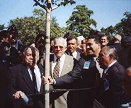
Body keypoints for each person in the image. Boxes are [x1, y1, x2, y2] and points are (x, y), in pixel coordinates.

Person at [44, 35, 102, 108]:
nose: (87, 47)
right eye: (86, 45)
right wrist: (54, 81)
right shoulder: (84, 60)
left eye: (90, 44)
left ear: (98, 45)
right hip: (89, 101)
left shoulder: (108, 56)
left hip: (106, 99)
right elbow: (72, 75)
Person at [49, 37, 74, 108]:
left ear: (66, 48)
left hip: (64, 102)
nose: (58, 49)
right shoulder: (46, 59)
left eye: (61, 47)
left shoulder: (72, 61)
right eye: (56, 47)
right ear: (52, 48)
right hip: (48, 101)